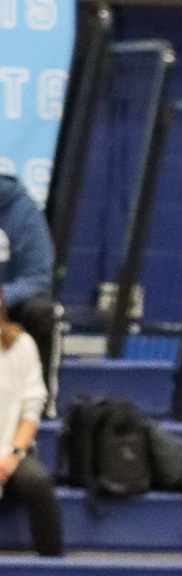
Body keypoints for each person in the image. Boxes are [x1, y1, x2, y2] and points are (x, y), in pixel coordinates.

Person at [0, 292, 62, 556]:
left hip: (13, 451)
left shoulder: (22, 345)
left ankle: (53, 566)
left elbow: (32, 409)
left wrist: (13, 454)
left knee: (38, 482)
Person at [0, 175, 57, 380]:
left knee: (40, 312)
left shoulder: (23, 210)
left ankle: (39, 393)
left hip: (10, 305)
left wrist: (3, 296)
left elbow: (38, 275)